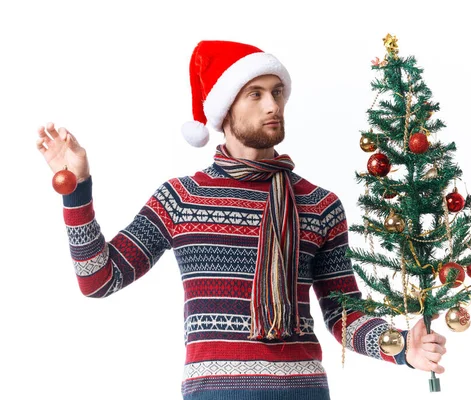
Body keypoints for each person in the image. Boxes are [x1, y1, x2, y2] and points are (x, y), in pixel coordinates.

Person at [36, 40, 447, 400]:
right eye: (255, 94)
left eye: (277, 92)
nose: (272, 105)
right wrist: (77, 189)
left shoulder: (319, 204)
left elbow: (343, 314)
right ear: (225, 108)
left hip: (305, 393)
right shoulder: (181, 198)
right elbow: (98, 278)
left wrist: (400, 349)